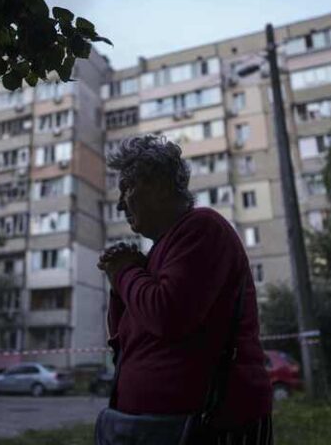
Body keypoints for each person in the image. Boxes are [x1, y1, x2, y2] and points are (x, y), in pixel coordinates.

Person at [95, 135, 273, 445]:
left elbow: (167, 314)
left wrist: (124, 271)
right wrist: (125, 276)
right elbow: (128, 340)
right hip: (149, 426)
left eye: (128, 188)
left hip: (209, 426)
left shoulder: (202, 228)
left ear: (161, 185)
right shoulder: (161, 250)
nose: (122, 202)